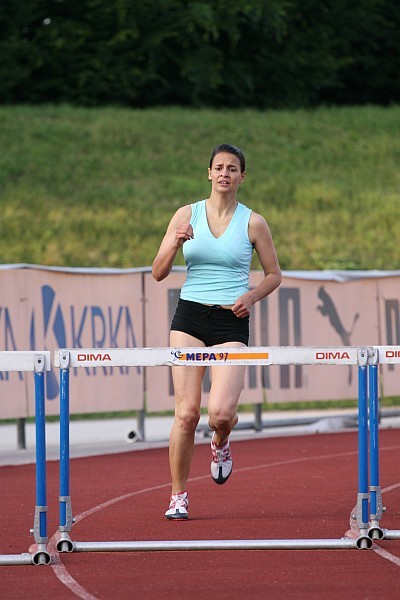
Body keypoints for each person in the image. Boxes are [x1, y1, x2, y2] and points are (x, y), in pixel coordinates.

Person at [152, 143, 282, 520]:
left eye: (232, 168)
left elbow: (274, 274)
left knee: (221, 413)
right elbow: (158, 272)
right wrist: (175, 242)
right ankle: (178, 495)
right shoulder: (185, 214)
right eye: (219, 167)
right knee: (187, 413)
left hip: (230, 320)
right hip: (190, 318)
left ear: (242, 176)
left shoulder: (253, 222)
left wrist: (252, 295)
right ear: (209, 173)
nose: (225, 173)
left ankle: (221, 442)